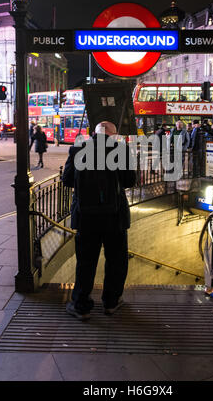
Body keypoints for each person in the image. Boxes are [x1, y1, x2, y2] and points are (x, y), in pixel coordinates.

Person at [62, 121, 136, 320]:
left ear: (94, 134)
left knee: (85, 262)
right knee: (116, 261)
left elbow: (67, 179)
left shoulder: (78, 149)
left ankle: (81, 305)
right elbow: (130, 181)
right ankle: (111, 302)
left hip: (86, 217)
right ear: (112, 134)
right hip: (115, 217)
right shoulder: (120, 150)